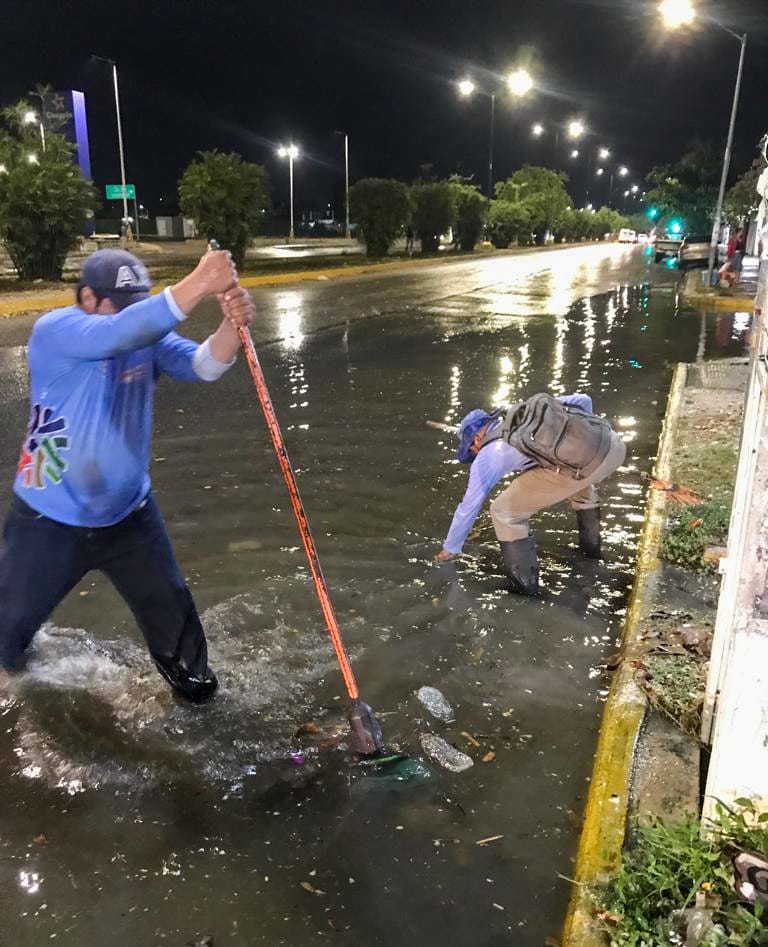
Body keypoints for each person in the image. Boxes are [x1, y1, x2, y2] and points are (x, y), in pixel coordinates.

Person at [0, 247, 254, 701]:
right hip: (47, 520)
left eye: (138, 302)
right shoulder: (56, 330)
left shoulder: (145, 337)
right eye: (121, 303)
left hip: (131, 517)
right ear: (88, 298)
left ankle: (200, 703)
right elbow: (121, 331)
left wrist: (230, 328)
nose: (132, 313)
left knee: (179, 636)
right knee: (7, 636)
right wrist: (199, 281)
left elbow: (205, 365)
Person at [436, 392, 626, 595]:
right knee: (571, 471)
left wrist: (450, 548)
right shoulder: (526, 412)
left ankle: (525, 589)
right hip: (614, 447)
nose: (474, 454)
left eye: (471, 451)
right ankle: (591, 554)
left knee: (503, 511)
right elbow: (584, 400)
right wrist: (583, 439)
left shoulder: (488, 455)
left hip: (586, 468)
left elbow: (469, 507)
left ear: (476, 439)